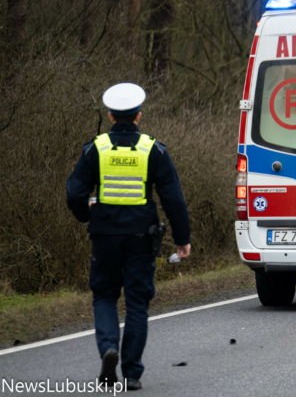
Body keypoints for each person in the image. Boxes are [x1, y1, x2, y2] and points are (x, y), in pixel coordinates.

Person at [66, 83, 191, 391]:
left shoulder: (96, 148)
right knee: (137, 302)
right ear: (138, 116)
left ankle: (108, 347)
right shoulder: (154, 149)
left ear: (110, 116)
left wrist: (87, 213)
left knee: (105, 295)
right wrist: (182, 237)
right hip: (140, 237)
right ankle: (131, 372)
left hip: (105, 235)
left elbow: (74, 193)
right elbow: (172, 198)